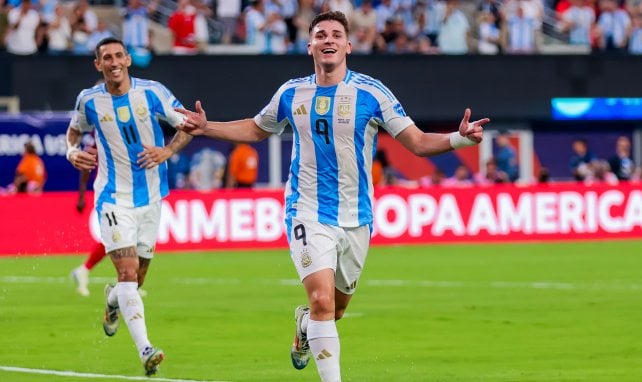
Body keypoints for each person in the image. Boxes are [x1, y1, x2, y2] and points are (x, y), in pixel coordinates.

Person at [174, 11, 489, 382]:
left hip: (356, 217)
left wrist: (458, 138)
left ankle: (306, 325)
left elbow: (417, 142)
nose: (328, 39)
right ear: (310, 46)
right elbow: (258, 129)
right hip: (307, 211)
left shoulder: (372, 93)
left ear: (348, 46)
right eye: (320, 34)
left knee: (334, 311)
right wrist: (207, 126)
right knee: (322, 300)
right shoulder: (292, 92)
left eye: (336, 34)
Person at [65, 37, 192, 376]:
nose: (114, 61)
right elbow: (74, 133)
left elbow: (189, 126)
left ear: (128, 60)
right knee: (127, 272)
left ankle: (112, 300)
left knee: (134, 280)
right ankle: (146, 349)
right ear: (98, 64)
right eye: (106, 57)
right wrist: (70, 152)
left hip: (151, 198)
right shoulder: (88, 100)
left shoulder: (152, 93)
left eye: (119, 55)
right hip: (112, 197)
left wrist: (166, 151)